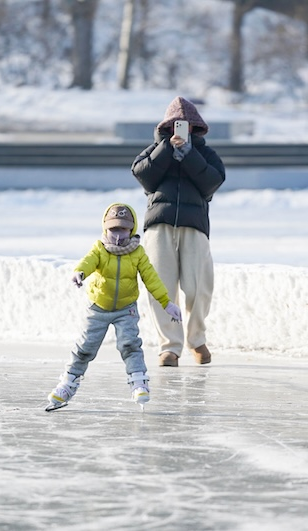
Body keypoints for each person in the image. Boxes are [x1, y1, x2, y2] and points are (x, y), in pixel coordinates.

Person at [46, 203, 182, 411]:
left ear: (132, 229)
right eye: (113, 229)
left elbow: (151, 278)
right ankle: (68, 383)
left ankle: (138, 381)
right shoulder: (99, 248)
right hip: (98, 308)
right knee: (85, 347)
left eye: (123, 229)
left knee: (130, 345)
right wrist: (79, 272)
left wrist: (166, 302)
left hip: (126, 309)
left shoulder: (137, 253)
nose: (118, 235)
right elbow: (88, 261)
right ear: (105, 228)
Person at [131, 96, 226, 367]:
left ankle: (197, 339)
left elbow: (212, 182)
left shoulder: (205, 153)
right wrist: (166, 149)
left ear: (195, 127)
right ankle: (169, 347)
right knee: (160, 286)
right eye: (175, 124)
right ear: (166, 126)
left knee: (199, 285)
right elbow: (143, 176)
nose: (181, 129)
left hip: (194, 225)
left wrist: (189, 155)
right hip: (159, 225)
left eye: (186, 125)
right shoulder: (156, 149)